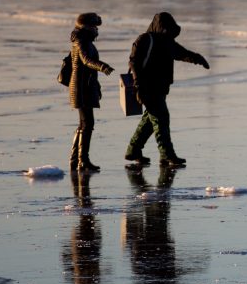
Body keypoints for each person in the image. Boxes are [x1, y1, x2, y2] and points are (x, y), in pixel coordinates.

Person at [125, 12, 210, 168]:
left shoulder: (167, 42)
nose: (167, 32)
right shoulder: (145, 39)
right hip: (146, 87)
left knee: (149, 121)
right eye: (165, 29)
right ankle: (167, 154)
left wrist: (198, 58)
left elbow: (182, 54)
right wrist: (138, 87)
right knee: (161, 118)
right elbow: (134, 63)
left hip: (161, 88)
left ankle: (133, 150)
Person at [68, 12, 114, 172]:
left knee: (84, 124)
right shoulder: (81, 41)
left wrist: (97, 87)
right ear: (86, 27)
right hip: (81, 89)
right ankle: (82, 160)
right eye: (94, 27)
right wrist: (103, 66)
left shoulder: (82, 39)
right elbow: (86, 60)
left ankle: (76, 159)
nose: (96, 30)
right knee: (87, 124)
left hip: (84, 86)